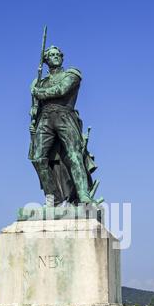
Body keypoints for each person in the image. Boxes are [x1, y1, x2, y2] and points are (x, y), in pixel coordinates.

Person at [28, 45, 99, 205]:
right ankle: (52, 198)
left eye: (58, 54)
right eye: (51, 55)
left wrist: (38, 92)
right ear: (45, 60)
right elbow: (35, 107)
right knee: (38, 158)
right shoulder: (40, 81)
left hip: (65, 116)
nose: (55, 56)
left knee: (74, 155)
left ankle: (83, 196)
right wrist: (33, 115)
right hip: (44, 119)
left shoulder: (72, 74)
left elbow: (61, 90)